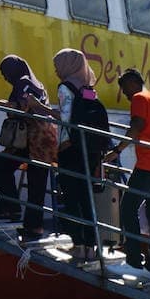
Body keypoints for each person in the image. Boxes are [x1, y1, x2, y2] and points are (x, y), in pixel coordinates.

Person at [113, 68, 150, 274]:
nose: (125, 94)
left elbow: (136, 126)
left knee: (128, 208)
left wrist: (116, 151)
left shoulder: (139, 98)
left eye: (124, 88)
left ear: (133, 83)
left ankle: (134, 258)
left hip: (148, 164)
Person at [52, 48, 104, 263]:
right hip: (89, 149)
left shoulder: (65, 87)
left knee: (71, 198)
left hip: (70, 148)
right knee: (86, 197)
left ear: (67, 65)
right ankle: (91, 247)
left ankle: (79, 246)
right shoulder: (88, 88)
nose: (56, 70)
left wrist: (39, 108)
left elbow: (65, 118)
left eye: (57, 65)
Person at [0, 55, 57, 240]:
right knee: (36, 184)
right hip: (40, 139)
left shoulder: (23, 82)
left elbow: (22, 106)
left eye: (5, 72)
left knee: (2, 168)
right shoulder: (34, 82)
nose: (4, 77)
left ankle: (17, 213)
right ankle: (32, 225)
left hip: (35, 139)